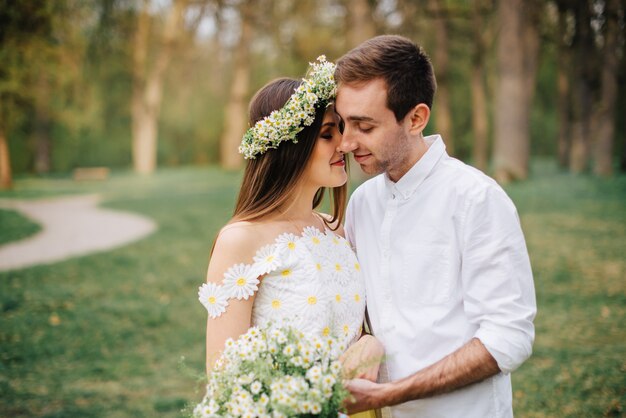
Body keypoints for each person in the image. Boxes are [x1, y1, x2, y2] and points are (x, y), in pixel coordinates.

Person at [334, 35, 537, 417]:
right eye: (344, 123)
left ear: (416, 118)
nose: (346, 142)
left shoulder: (476, 199)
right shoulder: (362, 204)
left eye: (364, 126)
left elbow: (508, 337)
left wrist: (389, 394)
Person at [197, 57, 383, 417]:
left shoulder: (336, 229)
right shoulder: (241, 240)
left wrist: (370, 343)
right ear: (290, 147)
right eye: (328, 134)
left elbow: (350, 327)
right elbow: (224, 379)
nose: (344, 145)